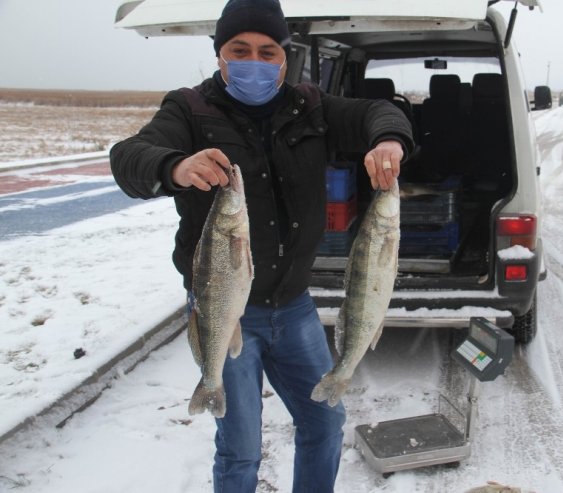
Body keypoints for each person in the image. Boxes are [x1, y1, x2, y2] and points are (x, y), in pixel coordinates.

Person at [109, 0, 413, 491]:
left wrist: (389, 140)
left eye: (267, 51)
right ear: (220, 55)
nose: (255, 60)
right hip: (223, 308)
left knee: (324, 423)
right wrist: (174, 167)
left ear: (284, 58)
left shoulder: (310, 106)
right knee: (241, 450)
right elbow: (129, 158)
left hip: (294, 308)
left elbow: (379, 112)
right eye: (240, 49)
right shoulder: (189, 109)